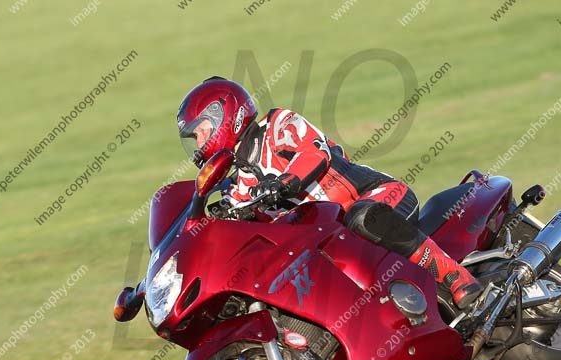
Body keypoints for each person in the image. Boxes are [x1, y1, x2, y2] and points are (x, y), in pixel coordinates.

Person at [176, 77, 482, 310]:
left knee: (362, 219)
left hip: (378, 197)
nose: (199, 143)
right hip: (337, 238)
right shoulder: (240, 183)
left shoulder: (278, 125)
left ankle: (456, 277)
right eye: (194, 138)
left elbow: (315, 155)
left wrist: (283, 183)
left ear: (226, 116)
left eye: (201, 131)